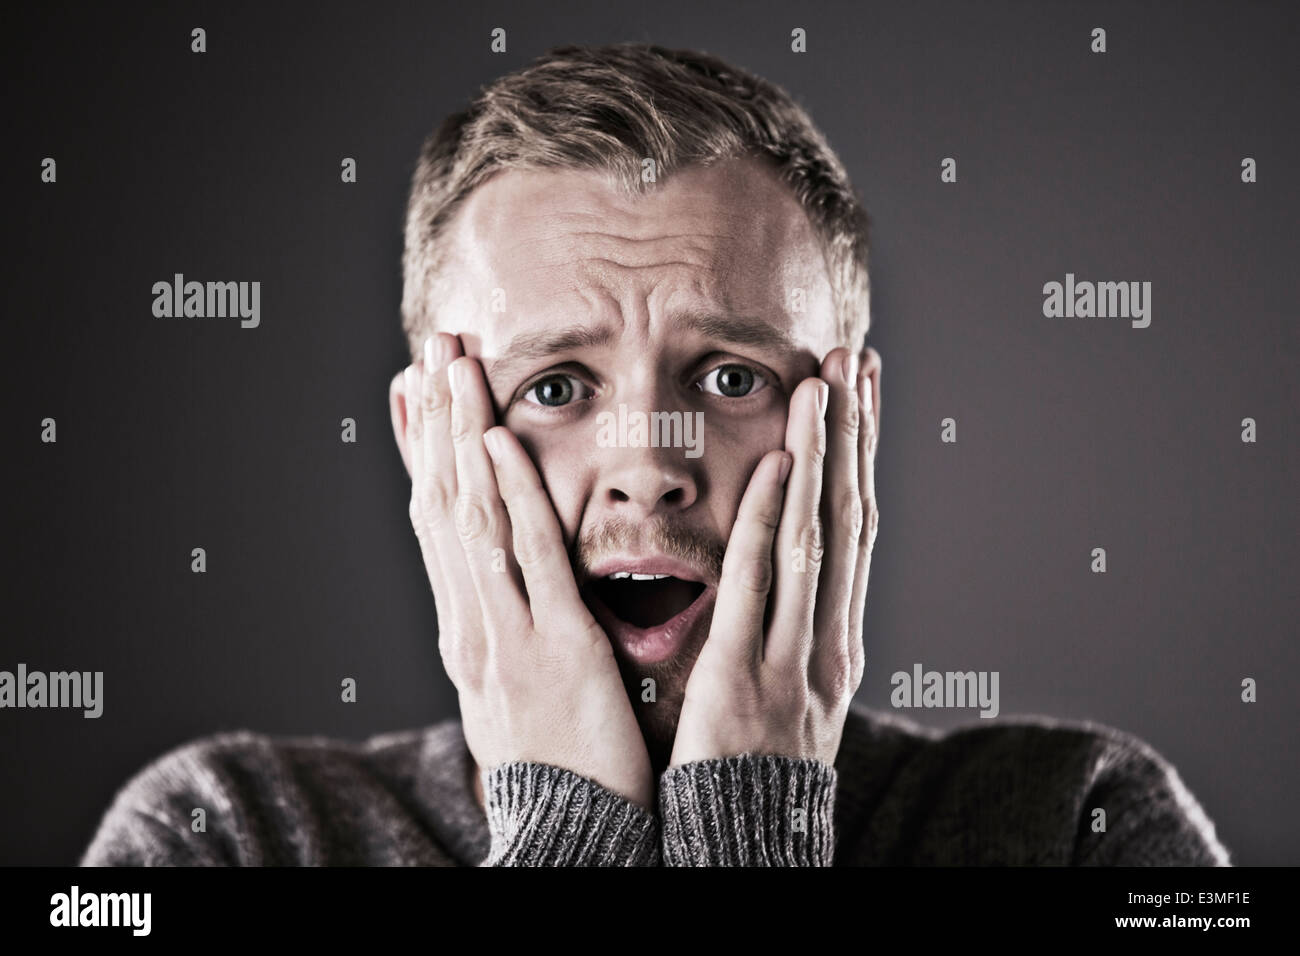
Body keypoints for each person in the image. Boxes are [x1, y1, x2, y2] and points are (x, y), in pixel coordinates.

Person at [82, 42, 1230, 867]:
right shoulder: (219, 829)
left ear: (853, 426)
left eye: (730, 377)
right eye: (556, 386)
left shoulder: (1082, 819)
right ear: (428, 437)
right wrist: (565, 835)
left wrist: (751, 828)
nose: (648, 464)